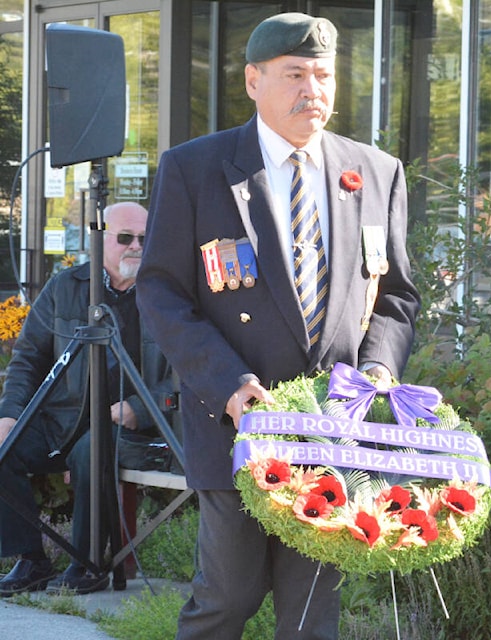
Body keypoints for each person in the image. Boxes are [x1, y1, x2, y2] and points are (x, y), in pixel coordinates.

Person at [135, 12, 420, 639]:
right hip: (240, 424)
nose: (312, 89)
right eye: (294, 74)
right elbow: (159, 291)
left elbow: (396, 294)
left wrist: (376, 374)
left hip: (331, 436)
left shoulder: (374, 171)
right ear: (252, 81)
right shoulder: (197, 168)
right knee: (227, 600)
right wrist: (228, 381)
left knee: (313, 617)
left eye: (323, 75)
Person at [0, 201, 177, 596]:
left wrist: (140, 408)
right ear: (99, 242)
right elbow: (28, 358)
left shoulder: (168, 294)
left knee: (90, 449)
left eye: (145, 239)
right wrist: (9, 415)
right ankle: (32, 559)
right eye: (125, 238)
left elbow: (186, 374)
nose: (136, 247)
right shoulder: (65, 287)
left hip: (132, 430)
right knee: (2, 445)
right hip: (59, 421)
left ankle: (88, 561)